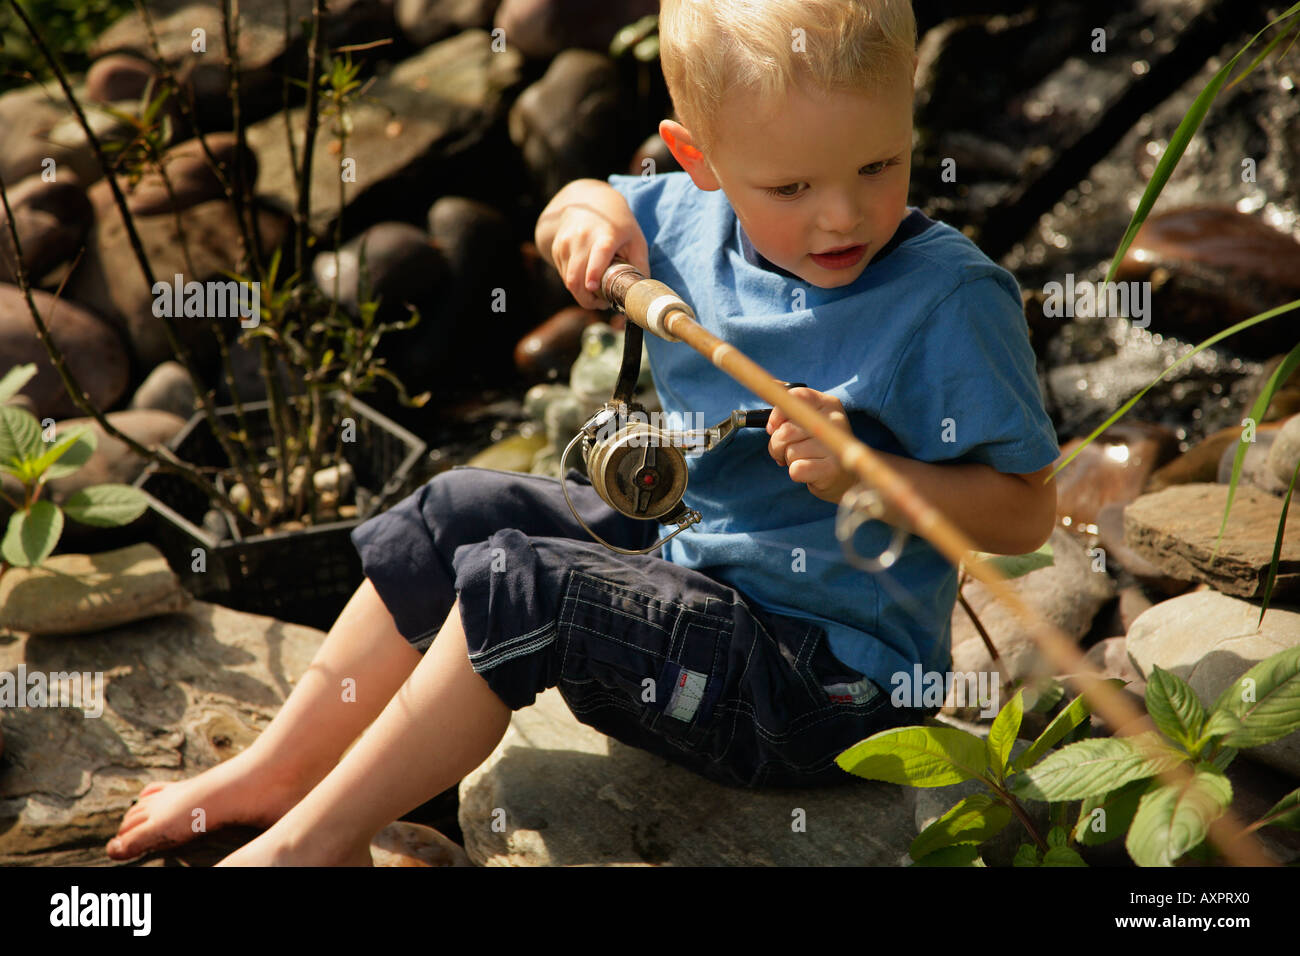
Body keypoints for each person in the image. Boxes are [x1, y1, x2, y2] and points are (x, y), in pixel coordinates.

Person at [105, 0, 1058, 866]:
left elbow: (1025, 516)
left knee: (530, 589)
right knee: (455, 508)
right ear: (701, 161)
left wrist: (874, 476)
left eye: (879, 165)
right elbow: (581, 197)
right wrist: (589, 220)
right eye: (793, 186)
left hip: (824, 689)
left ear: (909, 123)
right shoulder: (691, 218)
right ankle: (278, 771)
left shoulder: (950, 301)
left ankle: (309, 849)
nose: (841, 214)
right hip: (699, 574)